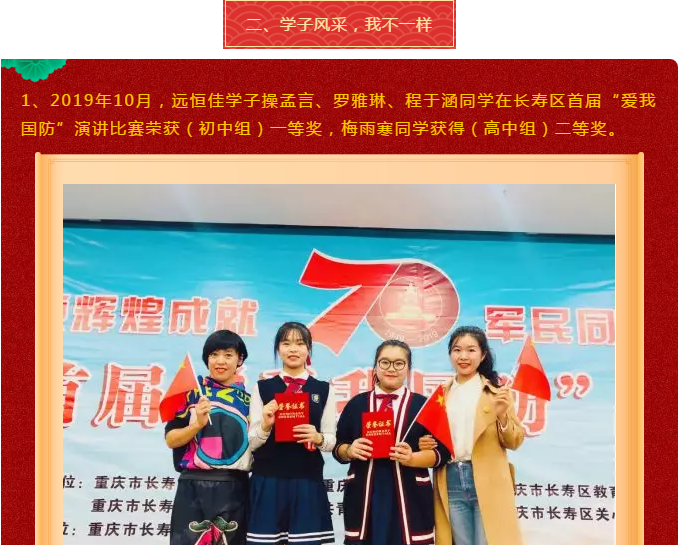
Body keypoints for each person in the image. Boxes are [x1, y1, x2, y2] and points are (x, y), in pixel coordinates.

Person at [333, 339, 450, 545]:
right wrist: (349, 450)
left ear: (408, 369)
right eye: (385, 362)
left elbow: (442, 453)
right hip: (365, 491)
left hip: (409, 494)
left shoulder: (423, 406)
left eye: (399, 363)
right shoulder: (356, 404)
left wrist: (413, 457)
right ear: (376, 366)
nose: (391, 368)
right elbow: (338, 447)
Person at [420, 325, 524, 545]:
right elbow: (435, 441)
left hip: (488, 478)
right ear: (450, 354)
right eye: (457, 350)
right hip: (450, 477)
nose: (463, 356)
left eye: (471, 350)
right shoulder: (440, 395)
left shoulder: (496, 393)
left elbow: (514, 441)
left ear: (483, 355)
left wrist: (502, 416)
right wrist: (426, 443)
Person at [247, 322, 337, 545]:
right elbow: (252, 442)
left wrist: (318, 438)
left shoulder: (324, 389)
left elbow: (331, 440)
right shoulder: (262, 388)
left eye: (300, 343)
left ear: (309, 349)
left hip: (307, 478)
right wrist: (265, 425)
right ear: (278, 349)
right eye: (286, 343)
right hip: (268, 478)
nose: (293, 349)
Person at [165, 329, 252, 545]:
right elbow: (171, 440)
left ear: (240, 359)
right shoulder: (191, 395)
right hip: (193, 485)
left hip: (235, 485)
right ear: (206, 359)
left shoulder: (251, 402)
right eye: (214, 355)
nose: (220, 361)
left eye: (228, 355)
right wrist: (197, 425)